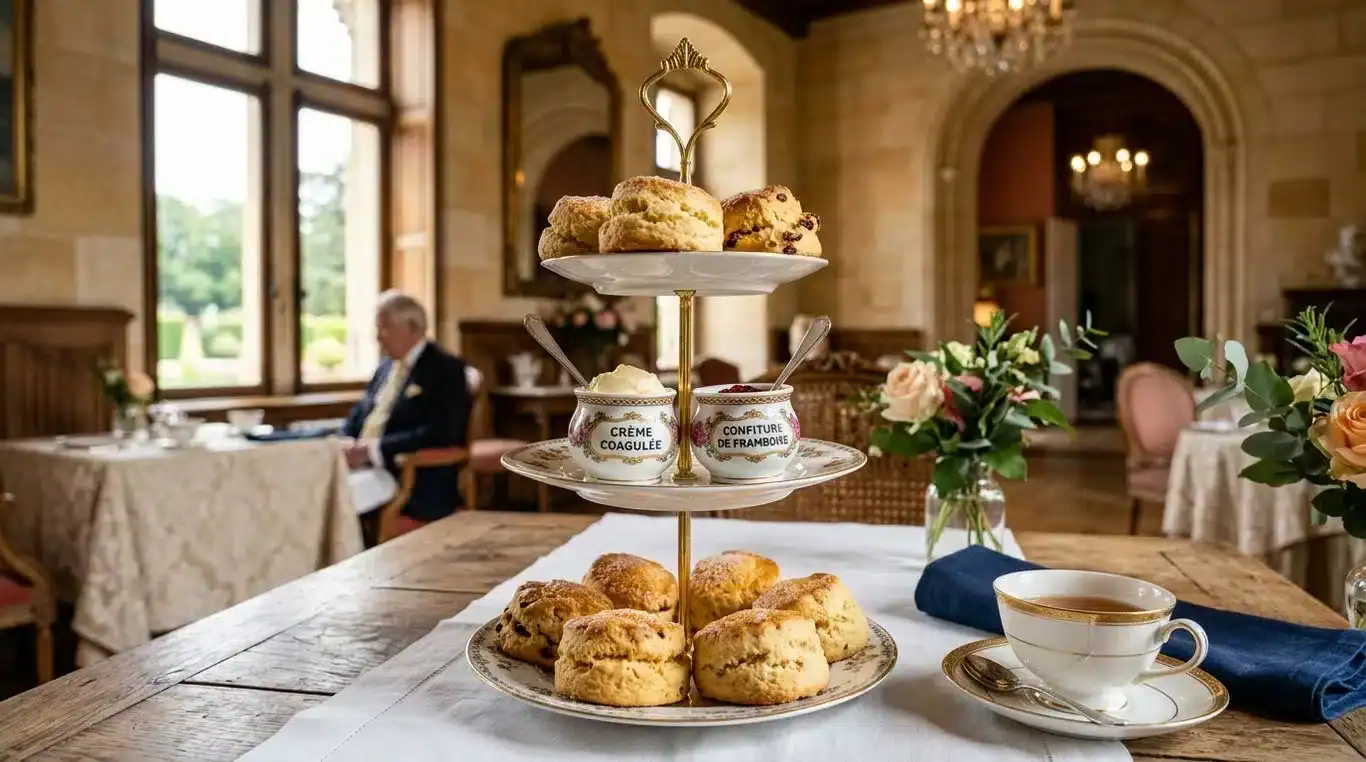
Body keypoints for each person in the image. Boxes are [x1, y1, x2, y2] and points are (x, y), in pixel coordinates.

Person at [340, 290, 471, 526]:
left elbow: (441, 433)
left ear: (413, 328)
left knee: (335, 499)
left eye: (385, 328)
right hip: (361, 468)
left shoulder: (446, 369)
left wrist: (372, 450)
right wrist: (346, 440)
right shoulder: (384, 368)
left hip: (406, 475)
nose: (378, 337)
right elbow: (359, 414)